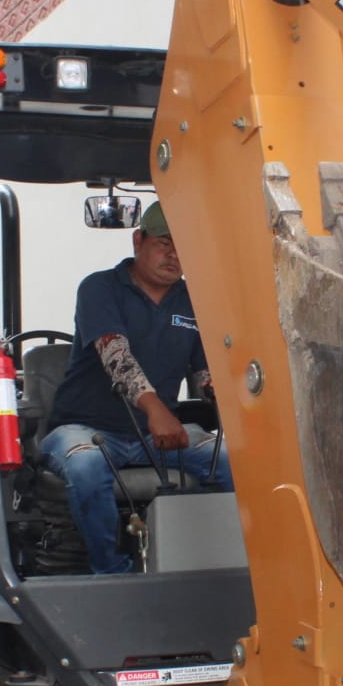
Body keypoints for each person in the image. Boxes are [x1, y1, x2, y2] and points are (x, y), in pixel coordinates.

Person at [39, 201, 231, 574]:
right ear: (138, 240)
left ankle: (206, 564)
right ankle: (111, 573)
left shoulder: (194, 299)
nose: (175, 255)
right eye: (165, 242)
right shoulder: (100, 288)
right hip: (87, 429)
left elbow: (205, 368)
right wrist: (156, 409)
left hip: (155, 435)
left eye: (186, 246)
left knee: (233, 462)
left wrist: (219, 392)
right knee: (85, 465)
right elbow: (115, 354)